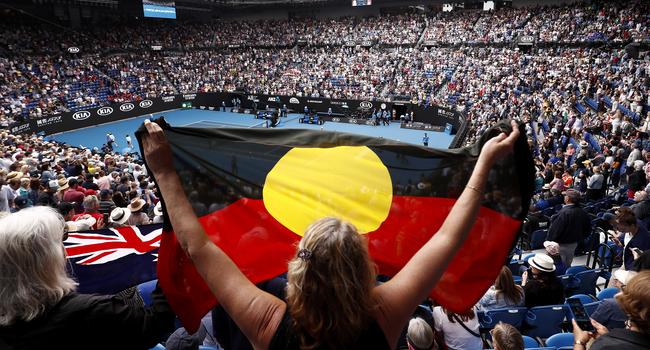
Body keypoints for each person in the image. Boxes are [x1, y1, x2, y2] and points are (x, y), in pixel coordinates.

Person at [140, 119, 521, 349]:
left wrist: (165, 171)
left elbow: (197, 244)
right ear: (364, 269)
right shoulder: (384, 315)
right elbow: (446, 239)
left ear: (296, 270)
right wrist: (484, 162)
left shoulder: (267, 322)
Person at [0, 206, 176, 348]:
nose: (65, 250)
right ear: (46, 259)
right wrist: (171, 264)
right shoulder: (95, 311)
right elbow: (156, 324)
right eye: (59, 242)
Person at [572, 271, 650, 350]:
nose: (619, 295)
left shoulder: (605, 346)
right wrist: (608, 336)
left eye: (625, 288)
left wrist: (579, 342)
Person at [546, 189, 592, 266]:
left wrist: (549, 242)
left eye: (565, 196)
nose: (564, 197)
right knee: (567, 263)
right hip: (573, 244)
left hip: (560, 245)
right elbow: (588, 229)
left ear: (568, 199)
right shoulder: (583, 212)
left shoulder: (564, 213)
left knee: (556, 266)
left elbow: (555, 231)